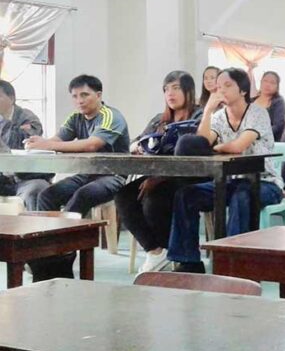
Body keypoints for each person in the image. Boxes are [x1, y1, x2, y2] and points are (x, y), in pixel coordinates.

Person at [168, 67, 283, 273]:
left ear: (243, 91)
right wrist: (208, 111)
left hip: (265, 183)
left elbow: (238, 146)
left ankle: (232, 262)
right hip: (229, 181)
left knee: (242, 195)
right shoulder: (219, 117)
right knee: (186, 195)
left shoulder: (258, 113)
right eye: (219, 87)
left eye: (228, 86)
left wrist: (215, 148)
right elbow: (201, 142)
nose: (222, 91)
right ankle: (189, 262)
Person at [115, 71, 203, 273]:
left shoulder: (199, 116)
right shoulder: (159, 119)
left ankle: (172, 254)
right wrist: (138, 146)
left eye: (176, 88)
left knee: (154, 199)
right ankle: (156, 251)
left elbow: (192, 153)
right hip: (156, 175)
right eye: (166, 89)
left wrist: (160, 178)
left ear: (188, 91)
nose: (170, 93)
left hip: (187, 176)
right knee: (124, 196)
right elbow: (137, 141)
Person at [28, 74, 130, 215]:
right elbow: (57, 140)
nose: (79, 101)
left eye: (84, 95)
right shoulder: (75, 117)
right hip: (86, 174)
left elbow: (92, 145)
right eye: (74, 96)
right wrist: (38, 143)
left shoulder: (111, 116)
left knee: (82, 195)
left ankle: (67, 235)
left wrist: (47, 145)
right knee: (47, 195)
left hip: (113, 176)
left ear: (98, 95)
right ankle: (49, 236)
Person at [0, 80, 51, 209]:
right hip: (3, 178)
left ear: (11, 98)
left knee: (38, 188)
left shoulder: (27, 116)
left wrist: (8, 124)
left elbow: (30, 141)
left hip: (26, 177)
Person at [253, 71, 285, 141]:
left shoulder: (278, 102)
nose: (268, 85)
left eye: (272, 83)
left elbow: (278, 126)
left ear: (277, 86)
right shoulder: (251, 101)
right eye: (265, 81)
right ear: (261, 82)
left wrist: (258, 134)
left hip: (267, 141)